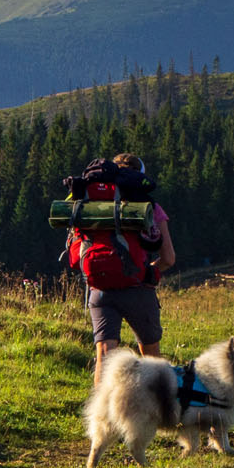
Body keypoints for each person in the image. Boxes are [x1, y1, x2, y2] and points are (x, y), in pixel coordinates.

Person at [83, 153, 177, 373]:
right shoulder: (149, 205)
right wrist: (148, 271)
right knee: (153, 361)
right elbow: (169, 258)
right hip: (138, 288)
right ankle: (157, 407)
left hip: (100, 287)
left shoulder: (93, 202)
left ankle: (104, 407)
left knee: (104, 361)